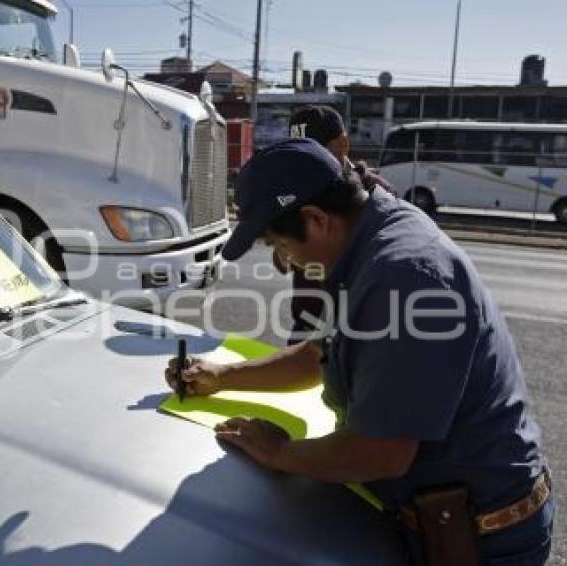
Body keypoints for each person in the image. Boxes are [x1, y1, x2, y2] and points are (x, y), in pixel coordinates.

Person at [165, 138, 553, 565]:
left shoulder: (404, 277)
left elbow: (380, 452)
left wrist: (279, 453)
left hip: (477, 541)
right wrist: (223, 376)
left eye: (280, 245)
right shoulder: (370, 237)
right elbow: (323, 353)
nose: (285, 263)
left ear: (315, 219)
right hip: (447, 519)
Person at [281, 105, 394, 342]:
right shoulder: (297, 192)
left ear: (343, 145)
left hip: (356, 331)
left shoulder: (377, 193)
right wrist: (283, 249)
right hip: (306, 326)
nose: (306, 164)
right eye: (297, 155)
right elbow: (282, 260)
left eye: (317, 153)